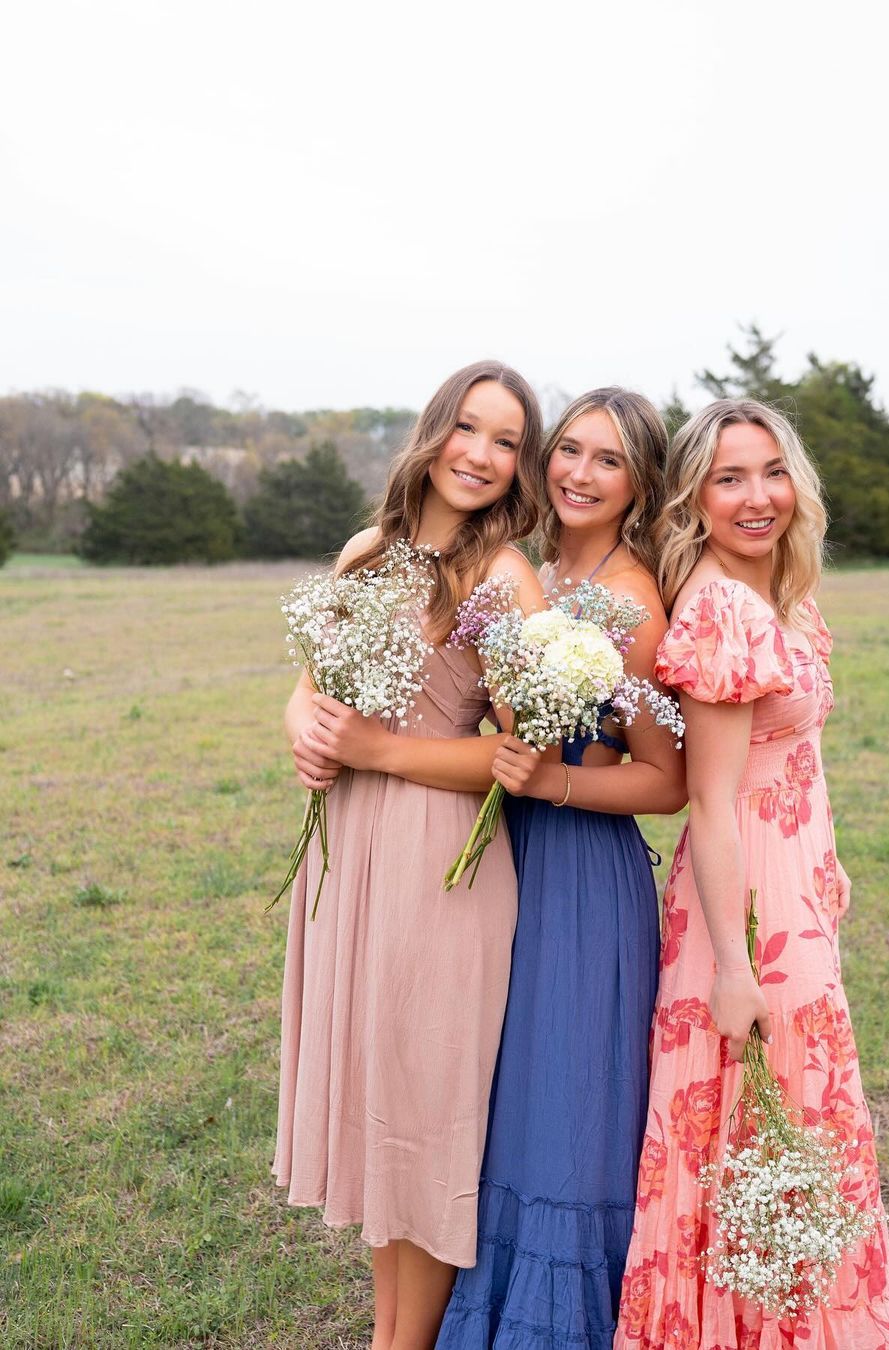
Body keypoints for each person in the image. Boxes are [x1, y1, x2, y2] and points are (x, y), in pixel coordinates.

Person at [615, 399, 889, 1348]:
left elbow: (798, 754)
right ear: (694, 496)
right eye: (730, 478)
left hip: (796, 887)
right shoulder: (721, 610)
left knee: (794, 1127)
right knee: (751, 1131)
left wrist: (831, 854)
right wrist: (735, 971)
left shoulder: (778, 590)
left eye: (773, 472)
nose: (757, 497)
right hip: (743, 910)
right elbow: (710, 802)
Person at [272, 360, 547, 1350]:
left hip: (441, 865)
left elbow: (519, 755)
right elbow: (309, 687)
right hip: (348, 853)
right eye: (469, 428)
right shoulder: (366, 550)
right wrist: (304, 731)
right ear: (435, 433)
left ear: (520, 465)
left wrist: (377, 750)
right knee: (377, 1102)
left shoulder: (503, 577)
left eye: (507, 441)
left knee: (424, 1115)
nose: (481, 454)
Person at [436, 389, 687, 1348]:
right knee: (504, 1097)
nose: (580, 473)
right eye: (570, 450)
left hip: (582, 878)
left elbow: (668, 780)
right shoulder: (532, 571)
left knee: (563, 1104)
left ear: (640, 485)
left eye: (608, 460)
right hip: (511, 855)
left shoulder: (632, 602)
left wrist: (554, 781)